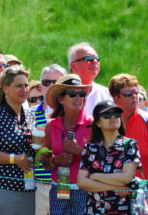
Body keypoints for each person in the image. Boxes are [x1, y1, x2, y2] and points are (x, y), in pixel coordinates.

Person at [0, 65, 36, 214]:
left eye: (26, 85)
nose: (24, 90)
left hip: (28, 187)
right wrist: (14, 159)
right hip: (2, 188)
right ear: (5, 88)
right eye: (19, 86)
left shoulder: (30, 117)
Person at [41, 74, 92, 215]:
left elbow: (101, 161)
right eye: (73, 94)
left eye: (81, 94)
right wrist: (55, 160)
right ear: (60, 98)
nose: (78, 98)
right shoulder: (51, 126)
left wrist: (78, 150)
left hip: (84, 189)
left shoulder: (92, 125)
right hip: (59, 187)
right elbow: (45, 163)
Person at [77, 101, 140, 215]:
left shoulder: (129, 144)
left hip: (123, 210)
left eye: (116, 114)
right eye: (106, 115)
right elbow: (81, 182)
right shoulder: (90, 147)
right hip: (95, 210)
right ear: (98, 123)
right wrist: (115, 187)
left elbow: (125, 178)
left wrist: (95, 176)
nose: (113, 117)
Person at [31, 64, 67, 215]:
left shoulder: (71, 115)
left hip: (63, 183)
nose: (52, 86)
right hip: (37, 183)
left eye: (56, 82)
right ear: (41, 87)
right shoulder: (29, 114)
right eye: (47, 83)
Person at [108, 73, 148, 179]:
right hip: (114, 189)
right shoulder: (105, 122)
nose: (134, 96)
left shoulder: (147, 120)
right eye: (128, 94)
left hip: (144, 191)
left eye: (136, 92)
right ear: (115, 98)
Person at [68, 42, 112, 115]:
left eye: (97, 58)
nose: (95, 61)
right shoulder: (60, 95)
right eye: (88, 58)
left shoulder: (106, 94)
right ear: (74, 66)